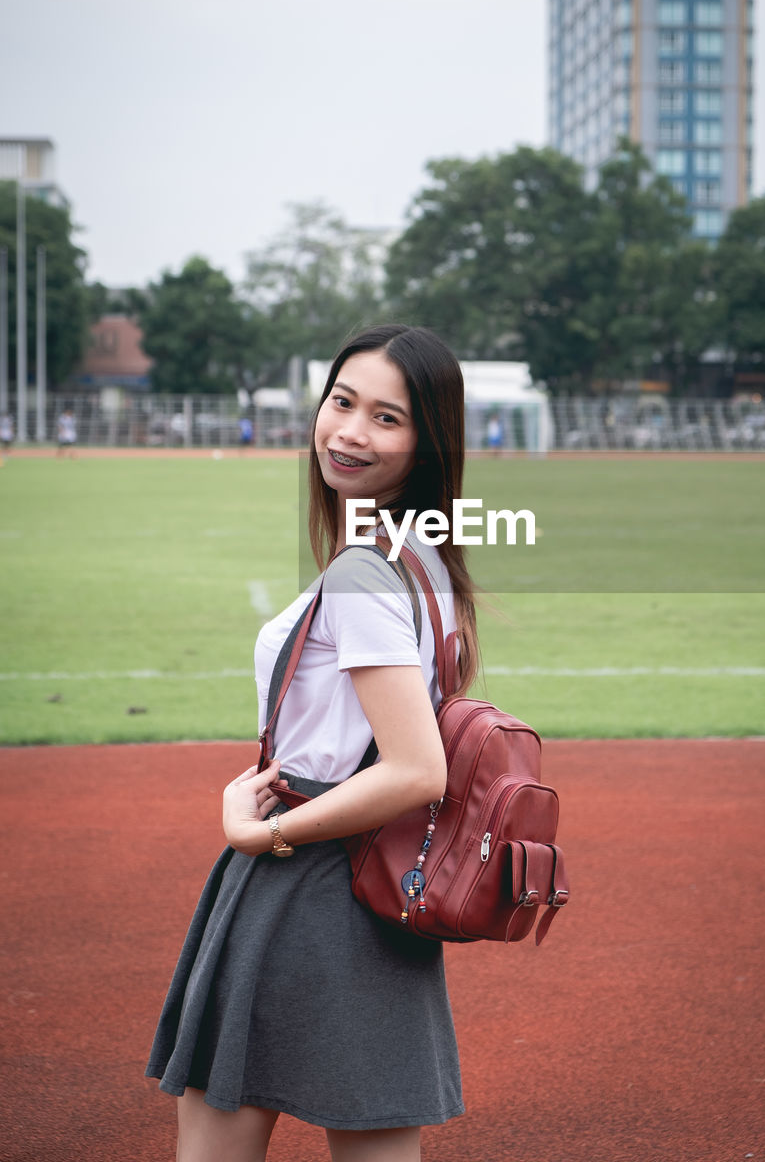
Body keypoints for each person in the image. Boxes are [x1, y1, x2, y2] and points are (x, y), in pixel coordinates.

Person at [146, 324, 480, 1162]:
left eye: (386, 418)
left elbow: (414, 767)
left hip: (306, 876)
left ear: (426, 441)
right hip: (376, 884)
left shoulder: (365, 570)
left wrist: (264, 828)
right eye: (341, 402)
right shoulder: (426, 558)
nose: (349, 431)